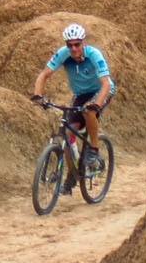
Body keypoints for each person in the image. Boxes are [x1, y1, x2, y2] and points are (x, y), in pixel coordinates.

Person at [32, 23, 115, 164]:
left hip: (101, 90)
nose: (73, 48)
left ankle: (94, 149)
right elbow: (44, 74)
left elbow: (106, 84)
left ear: (84, 43)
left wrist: (96, 105)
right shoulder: (63, 54)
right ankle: (72, 176)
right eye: (70, 45)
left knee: (89, 112)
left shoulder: (94, 55)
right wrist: (37, 95)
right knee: (68, 137)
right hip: (81, 94)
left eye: (77, 44)